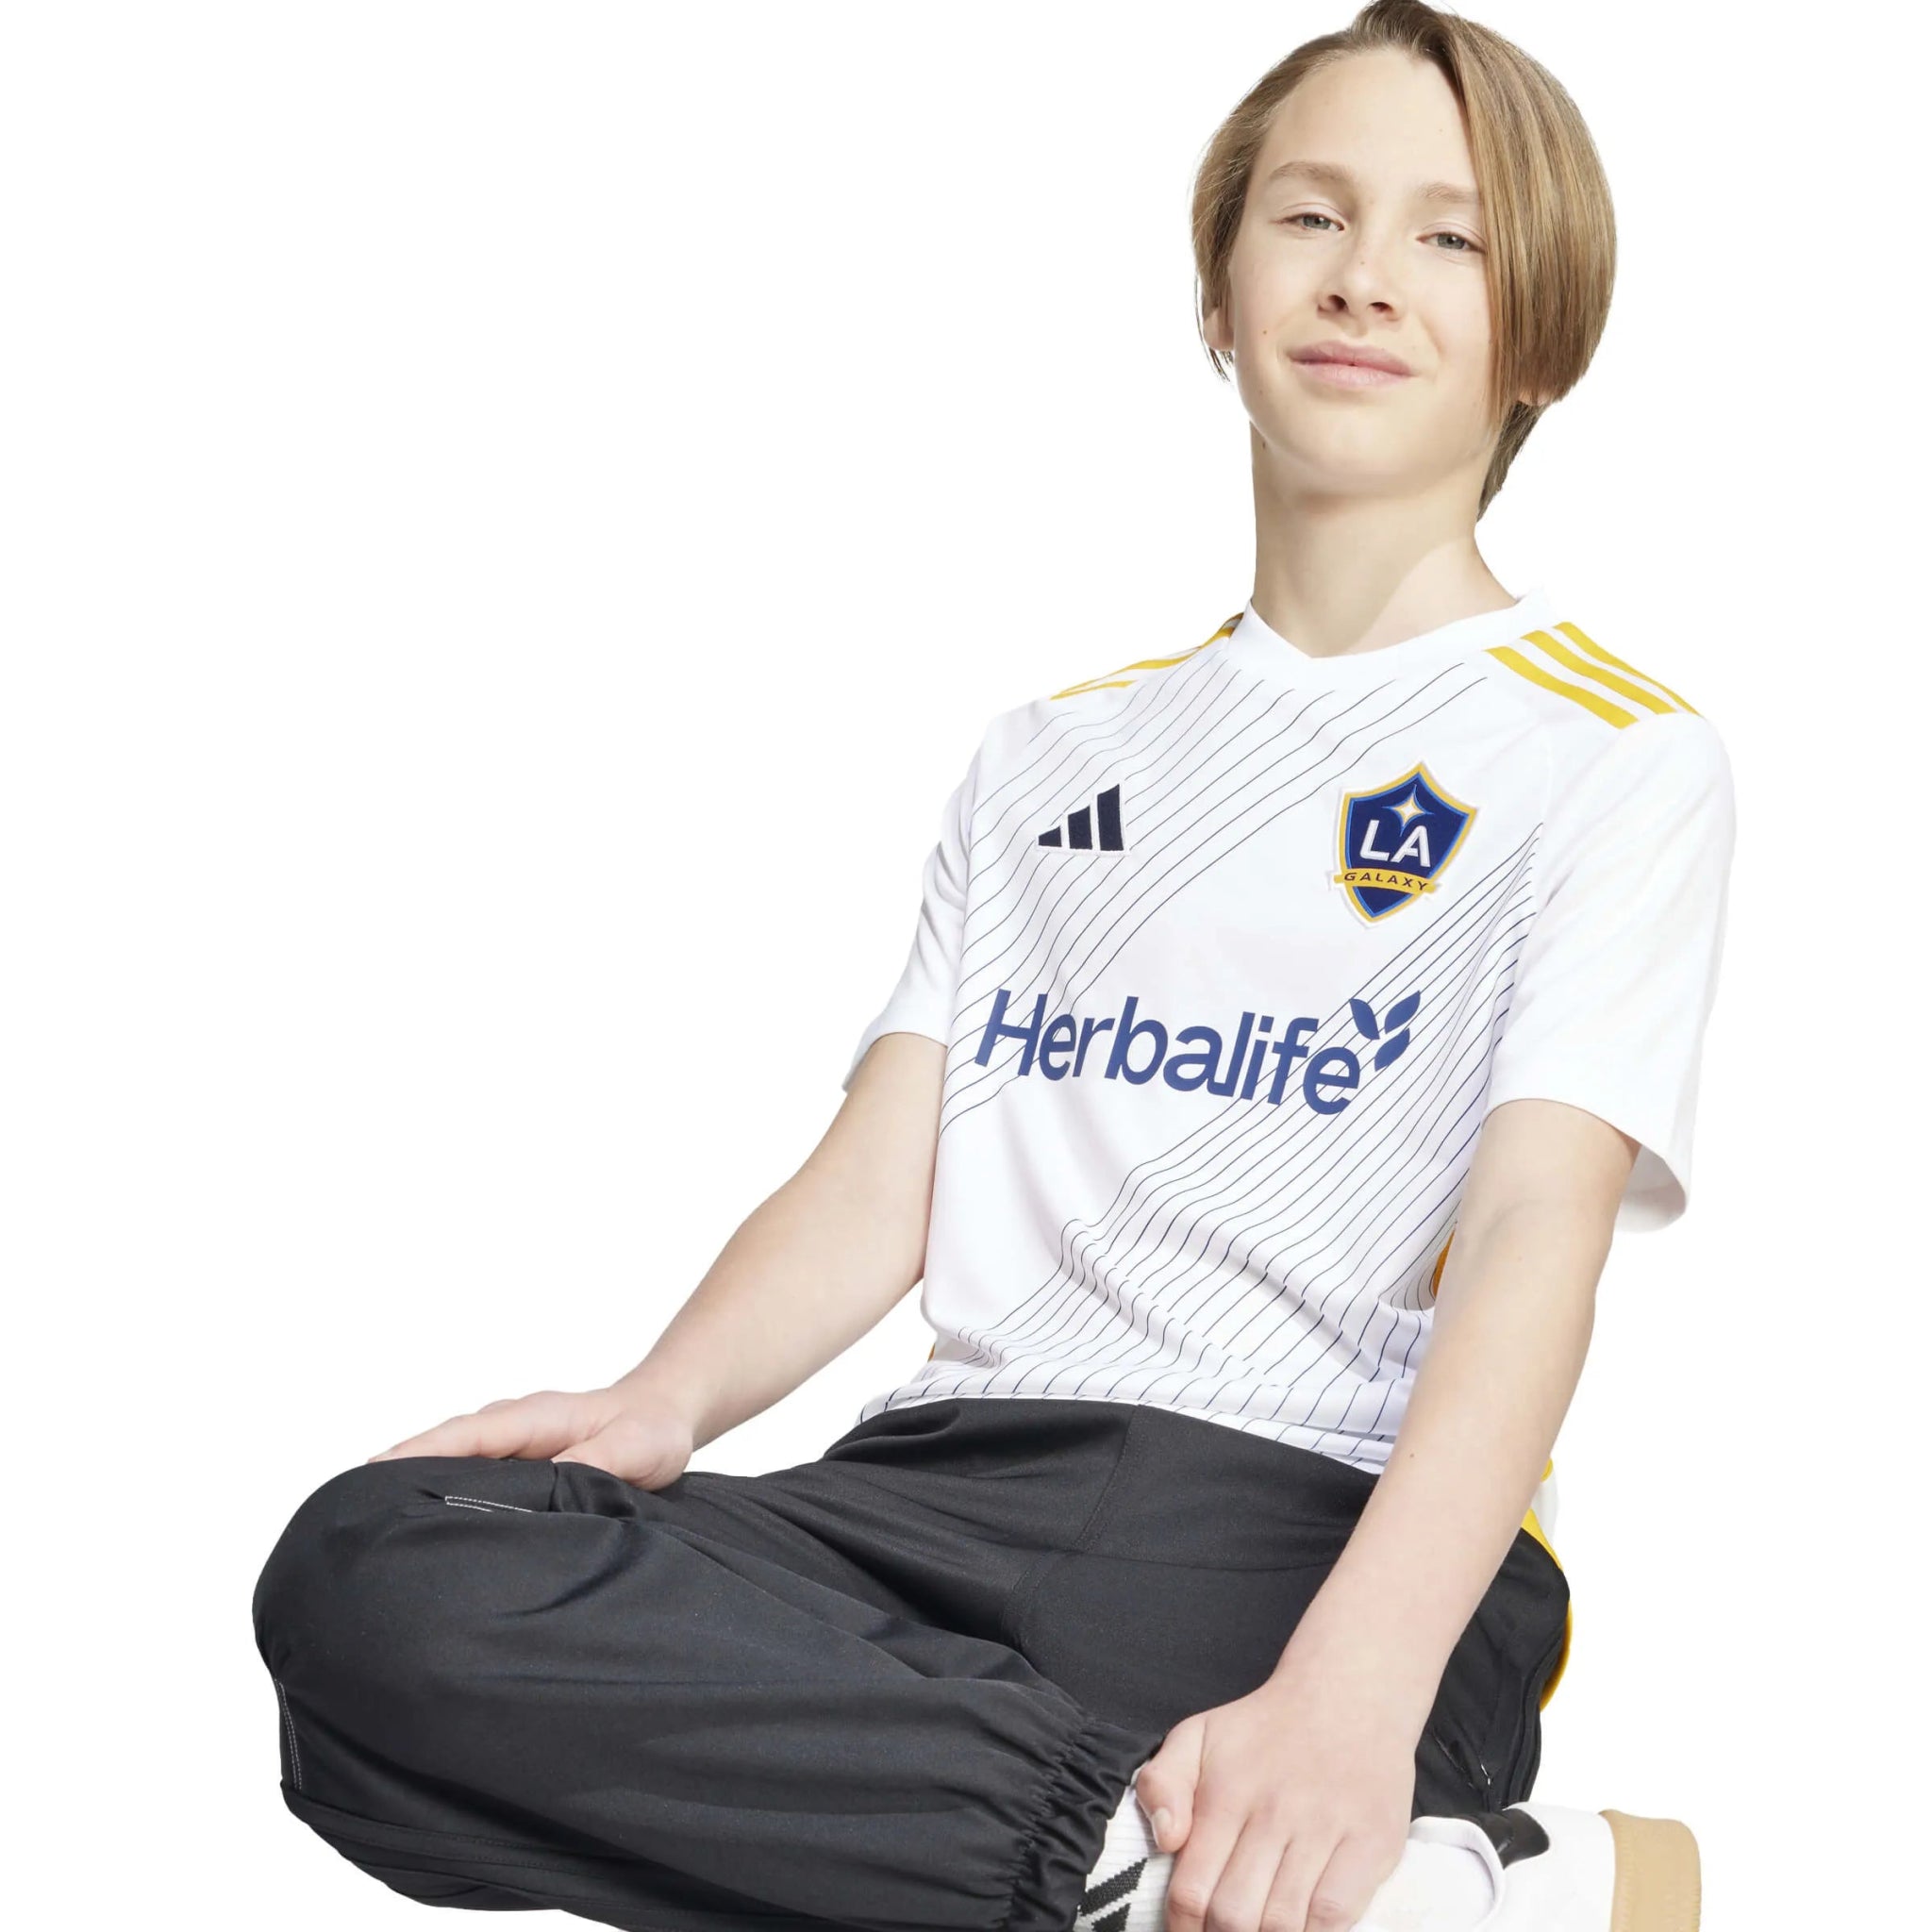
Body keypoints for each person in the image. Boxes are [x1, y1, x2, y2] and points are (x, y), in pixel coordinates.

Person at [252, 6, 1734, 1931]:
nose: (1365, 276)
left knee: (567, 1776)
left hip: (1302, 1517)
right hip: (933, 1494)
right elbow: (891, 1168)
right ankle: (1228, 1877)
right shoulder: (1050, 753)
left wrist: (1353, 1694)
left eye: (1446, 236)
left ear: (1540, 334)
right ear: (1218, 293)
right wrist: (663, 1401)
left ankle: (1197, 1839)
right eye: (1310, 215)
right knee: (374, 1582)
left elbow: (1538, 1229)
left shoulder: (1609, 752)